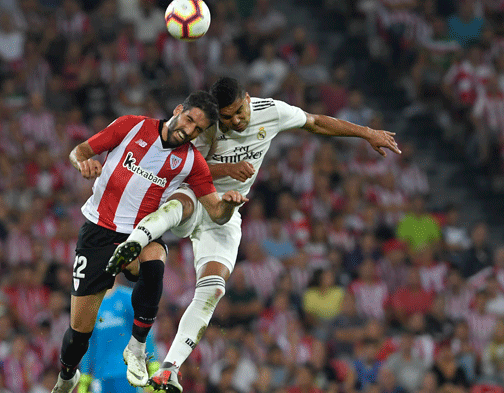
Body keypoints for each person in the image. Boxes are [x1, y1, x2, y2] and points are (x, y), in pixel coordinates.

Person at [108, 77, 400, 393]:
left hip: (226, 213)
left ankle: (169, 369)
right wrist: (226, 171)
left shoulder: (270, 112)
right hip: (194, 192)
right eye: (226, 117)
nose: (234, 121)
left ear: (248, 99)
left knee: (214, 289)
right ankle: (136, 240)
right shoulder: (206, 125)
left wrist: (366, 133)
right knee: (184, 203)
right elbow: (178, 165)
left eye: (237, 113)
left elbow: (315, 122)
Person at [52, 91, 248, 393]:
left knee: (155, 260)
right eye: (189, 119)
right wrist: (83, 163)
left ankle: (137, 347)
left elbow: (216, 212)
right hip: (98, 231)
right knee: (79, 335)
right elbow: (79, 151)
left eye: (198, 129)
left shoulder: (192, 162)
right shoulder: (130, 126)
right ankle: (67, 377)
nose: (190, 130)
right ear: (178, 109)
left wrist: (230, 205)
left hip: (138, 235)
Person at [80, 276, 157, 393]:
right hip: (101, 375)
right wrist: (84, 376)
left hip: (128, 372)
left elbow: (143, 330)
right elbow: (88, 342)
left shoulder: (128, 298)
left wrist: (153, 364)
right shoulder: (91, 305)